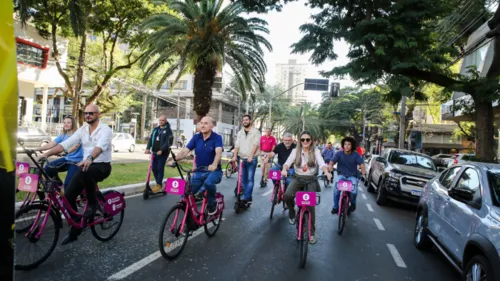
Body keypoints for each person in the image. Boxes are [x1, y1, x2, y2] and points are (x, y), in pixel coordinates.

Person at [40, 104, 113, 244]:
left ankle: (92, 205)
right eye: (86, 113)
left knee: (86, 170)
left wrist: (90, 158)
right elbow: (66, 144)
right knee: (68, 196)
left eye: (91, 113)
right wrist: (46, 154)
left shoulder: (105, 130)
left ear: (98, 115)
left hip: (101, 165)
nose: (88, 115)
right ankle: (76, 228)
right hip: (85, 166)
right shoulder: (83, 130)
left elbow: (100, 147)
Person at [281, 131, 332, 244]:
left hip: (311, 180)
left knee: (310, 207)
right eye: (303, 139)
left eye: (307, 139)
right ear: (300, 141)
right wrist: (284, 169)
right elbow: (287, 162)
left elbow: (322, 163)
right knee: (287, 195)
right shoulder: (295, 151)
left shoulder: (316, 151)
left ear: (311, 141)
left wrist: (327, 172)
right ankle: (292, 213)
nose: (305, 141)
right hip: (297, 178)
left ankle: (312, 233)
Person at [169, 116, 222, 215]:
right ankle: (188, 218)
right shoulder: (197, 137)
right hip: (198, 172)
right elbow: (185, 151)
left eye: (206, 123)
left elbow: (218, 152)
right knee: (186, 193)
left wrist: (214, 164)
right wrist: (174, 160)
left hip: (214, 171)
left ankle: (212, 203)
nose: (202, 125)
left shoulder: (217, 137)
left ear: (212, 126)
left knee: (208, 183)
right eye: (201, 123)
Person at [41, 116, 83, 192]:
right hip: (67, 159)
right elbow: (51, 144)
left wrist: (64, 153)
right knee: (48, 168)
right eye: (64, 123)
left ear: (73, 124)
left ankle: (67, 198)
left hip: (77, 162)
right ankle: (59, 187)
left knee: (68, 185)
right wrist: (37, 149)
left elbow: (74, 147)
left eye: (68, 123)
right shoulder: (63, 134)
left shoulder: (77, 135)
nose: (66, 124)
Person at [330, 137, 366, 215]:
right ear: (343, 145)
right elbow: (332, 161)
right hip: (341, 175)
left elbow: (362, 164)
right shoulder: (339, 154)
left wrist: (363, 172)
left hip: (352, 176)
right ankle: (336, 207)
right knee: (336, 190)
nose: (347, 146)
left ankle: (352, 205)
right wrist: (330, 167)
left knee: (354, 192)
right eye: (345, 144)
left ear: (352, 146)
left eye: (349, 144)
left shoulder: (356, 155)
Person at [231, 114, 260, 206]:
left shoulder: (256, 132)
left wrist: (251, 156)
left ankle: (247, 197)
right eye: (243, 120)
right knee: (243, 180)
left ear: (250, 121)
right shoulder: (240, 132)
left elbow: (256, 144)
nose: (245, 121)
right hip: (241, 159)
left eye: (247, 120)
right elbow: (237, 145)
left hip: (252, 159)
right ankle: (248, 195)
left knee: (250, 179)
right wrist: (235, 156)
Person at [145, 115, 173, 192]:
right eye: (160, 120)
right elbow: (151, 139)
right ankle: (159, 183)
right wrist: (148, 148)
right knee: (153, 168)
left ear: (166, 121)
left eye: (162, 120)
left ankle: (159, 184)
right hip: (154, 152)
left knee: (160, 168)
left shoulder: (168, 131)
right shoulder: (156, 130)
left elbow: (168, 142)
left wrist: (161, 150)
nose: (161, 121)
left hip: (163, 153)